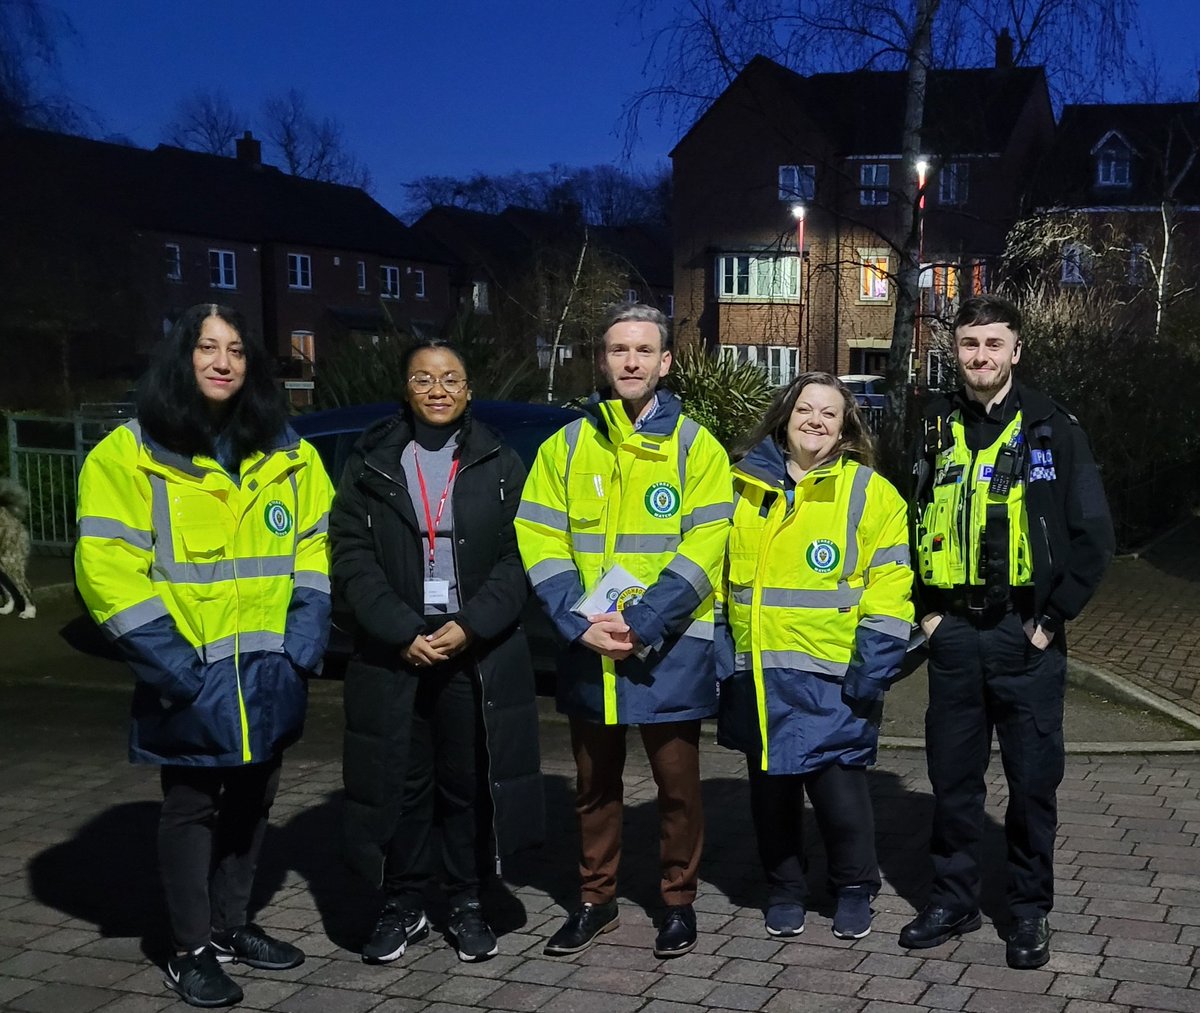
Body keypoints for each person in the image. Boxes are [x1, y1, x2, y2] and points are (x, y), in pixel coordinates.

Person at [75, 303, 333, 1009]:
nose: (223, 361)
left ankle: (231, 924)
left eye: (238, 350)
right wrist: (175, 668)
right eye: (207, 347)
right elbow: (107, 571)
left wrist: (302, 644)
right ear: (180, 357)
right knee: (191, 808)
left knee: (255, 800)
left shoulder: (289, 451)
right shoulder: (128, 454)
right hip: (189, 675)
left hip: (268, 674)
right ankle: (189, 949)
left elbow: (314, 549)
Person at [901, 294, 1113, 969]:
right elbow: (903, 524)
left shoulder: (1054, 428)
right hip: (954, 632)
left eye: (994, 343)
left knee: (1031, 784)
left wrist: (1051, 622)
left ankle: (1027, 910)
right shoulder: (931, 426)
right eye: (970, 344)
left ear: (1016, 350)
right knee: (953, 778)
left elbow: (1094, 537)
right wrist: (927, 616)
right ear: (954, 351)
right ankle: (955, 896)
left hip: (1027, 636)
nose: (981, 356)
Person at [515, 303, 732, 959]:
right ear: (603, 360)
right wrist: (577, 617)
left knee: (678, 789)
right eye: (618, 350)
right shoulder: (566, 444)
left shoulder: (697, 445)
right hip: (588, 643)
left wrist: (640, 621)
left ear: (665, 362)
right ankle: (595, 899)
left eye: (643, 350)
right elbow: (539, 534)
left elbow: (708, 542)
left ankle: (678, 902)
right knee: (593, 789)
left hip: (667, 646)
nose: (630, 361)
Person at [330, 337, 542, 965]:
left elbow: (518, 556)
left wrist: (472, 624)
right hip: (397, 648)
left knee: (468, 783)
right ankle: (403, 904)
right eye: (424, 379)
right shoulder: (369, 462)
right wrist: (400, 629)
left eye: (451, 379)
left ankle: (468, 901)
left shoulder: (499, 461)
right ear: (406, 389)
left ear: (469, 390)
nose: (438, 390)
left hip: (473, 651)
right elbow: (349, 554)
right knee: (400, 781)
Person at [718, 372, 913, 941]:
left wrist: (872, 669)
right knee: (771, 792)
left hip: (833, 676)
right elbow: (715, 575)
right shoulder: (738, 485)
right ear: (785, 414)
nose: (816, 422)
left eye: (830, 414)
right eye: (806, 409)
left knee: (840, 793)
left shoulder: (870, 493)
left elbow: (890, 585)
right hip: (756, 672)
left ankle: (854, 888)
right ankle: (785, 887)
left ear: (845, 427)